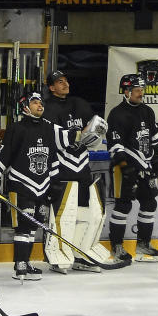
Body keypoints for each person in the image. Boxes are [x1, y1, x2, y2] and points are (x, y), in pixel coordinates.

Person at [0, 90, 77, 280]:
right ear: (25, 106)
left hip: (41, 185)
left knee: (35, 224)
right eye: (35, 102)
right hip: (20, 183)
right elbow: (3, 154)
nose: (40, 105)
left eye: (41, 102)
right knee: (24, 225)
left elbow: (52, 157)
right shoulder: (16, 128)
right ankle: (19, 264)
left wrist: (55, 181)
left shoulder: (48, 127)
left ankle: (25, 262)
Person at [40, 71, 109, 273]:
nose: (65, 84)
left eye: (66, 81)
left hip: (82, 167)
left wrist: (94, 133)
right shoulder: (47, 108)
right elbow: (51, 138)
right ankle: (57, 256)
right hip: (61, 168)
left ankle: (79, 254)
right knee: (61, 215)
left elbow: (94, 128)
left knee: (83, 214)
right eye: (60, 82)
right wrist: (78, 135)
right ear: (51, 87)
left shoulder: (79, 103)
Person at [105, 73, 158, 263]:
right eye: (137, 90)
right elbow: (115, 145)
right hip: (124, 168)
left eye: (142, 90)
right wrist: (125, 166)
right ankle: (117, 247)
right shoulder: (117, 114)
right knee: (123, 205)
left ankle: (143, 244)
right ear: (126, 92)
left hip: (145, 166)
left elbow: (154, 138)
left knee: (149, 204)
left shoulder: (147, 111)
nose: (141, 93)